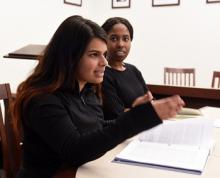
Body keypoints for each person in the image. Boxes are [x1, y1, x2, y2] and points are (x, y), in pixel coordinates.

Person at [13, 15, 184, 178]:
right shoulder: (43, 100)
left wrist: (133, 115)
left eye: (104, 54)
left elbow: (97, 126)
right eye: (94, 55)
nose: (104, 62)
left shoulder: (88, 91)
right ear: (69, 57)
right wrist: (135, 119)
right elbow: (75, 150)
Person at [102, 17, 153, 120]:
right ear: (103, 41)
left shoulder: (133, 70)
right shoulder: (102, 73)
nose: (121, 44)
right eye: (114, 38)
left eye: (125, 39)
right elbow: (116, 113)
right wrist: (142, 109)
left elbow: (150, 103)